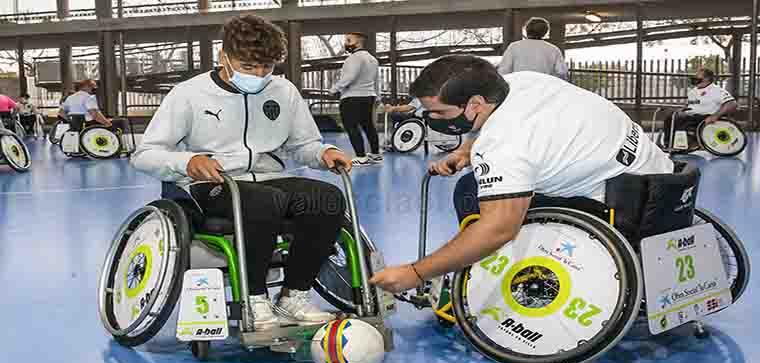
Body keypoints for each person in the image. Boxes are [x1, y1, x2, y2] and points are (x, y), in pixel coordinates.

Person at [369, 55, 673, 293]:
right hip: (659, 180)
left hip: (617, 208)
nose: (432, 119)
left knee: (472, 195)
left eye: (440, 113)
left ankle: (496, 273)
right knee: (475, 183)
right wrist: (466, 151)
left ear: (475, 104)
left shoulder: (502, 143)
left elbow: (498, 228)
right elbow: (533, 125)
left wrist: (416, 272)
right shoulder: (520, 82)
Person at [131, 15, 352, 330]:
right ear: (224, 57)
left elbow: (303, 145)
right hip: (210, 184)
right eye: (249, 67)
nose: (260, 74)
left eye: (267, 67)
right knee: (263, 202)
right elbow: (144, 154)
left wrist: (323, 153)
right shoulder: (189, 94)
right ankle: (254, 299)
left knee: (327, 198)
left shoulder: (283, 92)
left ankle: (293, 297)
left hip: (268, 179)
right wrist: (188, 161)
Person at [329, 32, 382, 166]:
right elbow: (376, 81)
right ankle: (376, 155)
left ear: (358, 42)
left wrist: (334, 89)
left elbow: (349, 77)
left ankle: (361, 156)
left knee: (351, 126)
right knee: (368, 125)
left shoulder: (354, 58)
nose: (346, 43)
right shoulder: (372, 59)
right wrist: (378, 96)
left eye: (348, 40)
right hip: (368, 96)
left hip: (352, 97)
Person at [663, 68, 737, 147]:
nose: (695, 79)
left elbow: (732, 103)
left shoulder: (717, 90)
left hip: (705, 116)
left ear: (707, 79)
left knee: (681, 119)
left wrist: (715, 116)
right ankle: (669, 144)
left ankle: (681, 143)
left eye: (697, 77)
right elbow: (691, 104)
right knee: (670, 117)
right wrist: (682, 109)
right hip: (691, 115)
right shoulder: (693, 91)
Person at [497, 17, 568, 79]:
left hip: (519, 88)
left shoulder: (514, 47)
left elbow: (503, 71)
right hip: (544, 89)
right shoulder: (553, 49)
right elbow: (561, 73)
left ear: (527, 30)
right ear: (545, 32)